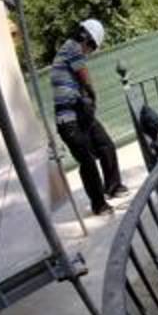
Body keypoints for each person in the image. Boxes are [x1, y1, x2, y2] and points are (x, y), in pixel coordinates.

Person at [52, 19, 126, 215]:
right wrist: (92, 95)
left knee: (105, 145)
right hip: (69, 120)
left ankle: (113, 186)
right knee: (87, 160)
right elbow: (85, 79)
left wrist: (88, 103)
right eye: (92, 46)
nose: (90, 51)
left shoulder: (72, 49)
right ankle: (99, 204)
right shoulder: (72, 48)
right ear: (85, 37)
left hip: (80, 113)